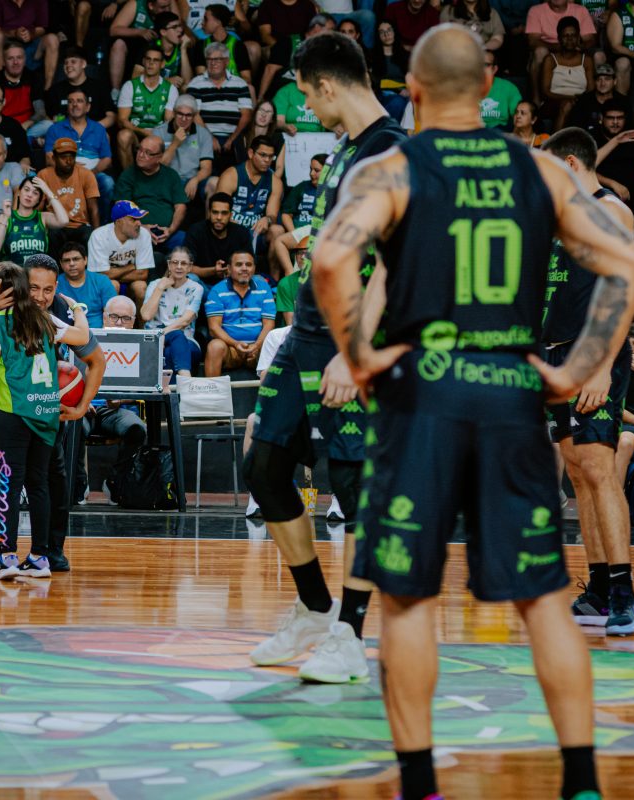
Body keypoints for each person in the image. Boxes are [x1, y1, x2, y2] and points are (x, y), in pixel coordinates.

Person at [312, 25, 634, 800]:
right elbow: (628, 260)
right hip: (509, 394)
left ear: (414, 93)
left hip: (422, 394)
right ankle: (581, 783)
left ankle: (421, 784)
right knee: (544, 600)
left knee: (408, 601)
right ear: (488, 91)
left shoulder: (393, 167)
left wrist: (358, 353)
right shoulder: (543, 170)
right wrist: (579, 368)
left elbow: (330, 259)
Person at [244, 31, 407, 685]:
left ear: (328, 85)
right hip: (306, 334)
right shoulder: (344, 148)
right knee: (263, 467)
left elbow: (396, 262)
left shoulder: (391, 150)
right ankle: (315, 608)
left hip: (351, 344)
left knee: (355, 485)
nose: (305, 107)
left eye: (308, 96)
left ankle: (351, 635)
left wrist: (355, 350)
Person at [541, 128, 634, 636]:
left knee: (600, 468)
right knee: (578, 473)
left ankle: (625, 592)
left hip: (593, 355)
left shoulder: (610, 210)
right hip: (556, 355)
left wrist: (601, 364)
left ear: (570, 164)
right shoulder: (561, 216)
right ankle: (600, 586)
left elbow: (626, 288)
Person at [0, 261, 92, 577]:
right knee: (39, 484)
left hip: (13, 413)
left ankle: (7, 557)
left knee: (8, 483)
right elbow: (82, 335)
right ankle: (41, 558)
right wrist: (78, 309)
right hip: (45, 413)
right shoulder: (45, 319)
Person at [78, 294, 148, 501]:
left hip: (117, 411)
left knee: (137, 429)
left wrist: (122, 399)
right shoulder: (84, 339)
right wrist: (83, 401)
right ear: (104, 317)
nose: (119, 323)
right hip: (84, 407)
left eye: (125, 318)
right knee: (73, 427)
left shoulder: (143, 346)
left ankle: (117, 481)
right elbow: (68, 375)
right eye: (114, 316)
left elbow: (147, 388)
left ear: (133, 321)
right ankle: (78, 482)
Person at [203, 249, 273, 374]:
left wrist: (256, 346)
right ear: (229, 269)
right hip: (230, 348)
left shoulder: (264, 288)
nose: (244, 268)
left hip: (258, 348)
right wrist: (235, 344)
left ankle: (274, 388)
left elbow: (269, 324)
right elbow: (214, 328)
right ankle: (212, 387)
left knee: (276, 344)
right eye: (239, 264)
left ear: (254, 268)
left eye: (249, 265)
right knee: (215, 346)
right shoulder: (217, 291)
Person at [215, 135, 283, 262]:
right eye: (263, 155)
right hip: (232, 229)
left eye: (270, 156)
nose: (267, 160)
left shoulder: (275, 182)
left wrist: (267, 219)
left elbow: (273, 215)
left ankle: (275, 275)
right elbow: (218, 210)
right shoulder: (231, 175)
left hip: (256, 232)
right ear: (251, 153)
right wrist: (237, 228)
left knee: (277, 230)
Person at [185, 42, 253, 168]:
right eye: (209, 59)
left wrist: (232, 139)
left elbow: (246, 115)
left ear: (226, 61)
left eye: (217, 59)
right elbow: (194, 114)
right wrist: (209, 138)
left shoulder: (240, 84)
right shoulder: (195, 84)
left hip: (234, 137)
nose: (213, 63)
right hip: (204, 136)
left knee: (237, 170)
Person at [43, 87, 115, 202]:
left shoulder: (99, 129)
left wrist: (91, 173)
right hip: (64, 175)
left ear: (88, 107)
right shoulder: (55, 129)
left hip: (94, 174)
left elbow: (106, 158)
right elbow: (49, 158)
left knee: (108, 183)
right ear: (67, 107)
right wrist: (69, 168)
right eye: (71, 101)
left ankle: (102, 215)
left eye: (79, 101)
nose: (75, 104)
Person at [141, 246, 203, 376]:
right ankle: (185, 380)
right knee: (172, 346)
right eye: (175, 262)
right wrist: (160, 288)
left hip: (185, 339)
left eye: (183, 263)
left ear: (190, 267)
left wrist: (162, 334)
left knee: (175, 340)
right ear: (169, 265)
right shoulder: (155, 284)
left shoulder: (196, 288)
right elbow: (146, 315)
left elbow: (185, 321)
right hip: (153, 338)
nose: (179, 267)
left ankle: (178, 383)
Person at [117, 44, 178, 168]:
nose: (151, 63)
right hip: (136, 133)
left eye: (156, 60)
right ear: (143, 61)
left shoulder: (170, 89)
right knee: (123, 136)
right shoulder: (130, 86)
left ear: (162, 64)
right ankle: (129, 178)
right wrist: (143, 132)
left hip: (159, 136)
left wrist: (155, 135)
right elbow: (122, 120)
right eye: (148, 59)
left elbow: (169, 121)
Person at [0, 175, 70, 264]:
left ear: (38, 200)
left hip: (37, 270)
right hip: (13, 271)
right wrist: (6, 217)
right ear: (19, 192)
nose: (29, 195)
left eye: (35, 193)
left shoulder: (43, 217)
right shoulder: (5, 217)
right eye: (26, 190)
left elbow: (64, 220)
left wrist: (48, 191)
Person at [526, 0, 596, 102]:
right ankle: (536, 99)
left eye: (572, 35)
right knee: (540, 52)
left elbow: (590, 39)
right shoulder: (536, 10)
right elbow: (532, 41)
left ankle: (598, 101)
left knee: (599, 56)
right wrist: (560, 47)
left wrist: (579, 47)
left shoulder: (580, 10)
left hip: (575, 51)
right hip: (549, 51)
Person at [87, 200, 155, 304]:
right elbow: (100, 276)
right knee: (112, 285)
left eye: (139, 219)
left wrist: (112, 272)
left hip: (131, 282)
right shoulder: (99, 236)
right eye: (133, 219)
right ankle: (110, 315)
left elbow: (143, 274)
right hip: (109, 282)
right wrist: (131, 267)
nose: (139, 223)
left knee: (141, 287)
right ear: (119, 221)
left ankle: (140, 316)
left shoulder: (144, 234)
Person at [38, 136, 102, 241]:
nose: (68, 161)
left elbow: (93, 209)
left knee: (88, 235)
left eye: (72, 157)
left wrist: (97, 237)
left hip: (80, 225)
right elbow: (38, 209)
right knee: (51, 236)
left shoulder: (86, 174)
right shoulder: (44, 175)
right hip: (56, 224)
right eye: (63, 157)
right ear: (54, 158)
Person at [154, 94, 214, 202]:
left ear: (194, 116)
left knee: (214, 183)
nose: (184, 119)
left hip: (192, 179)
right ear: (173, 113)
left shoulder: (203, 134)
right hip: (167, 180)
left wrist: (195, 180)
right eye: (180, 114)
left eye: (188, 115)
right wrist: (175, 144)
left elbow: (207, 168)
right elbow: (156, 166)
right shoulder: (159, 132)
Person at [0, 0, 59, 88]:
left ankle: (48, 89)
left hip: (32, 45)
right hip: (7, 44)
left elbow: (41, 28)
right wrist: (14, 33)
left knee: (52, 39)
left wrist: (31, 34)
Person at [186, 190, 253, 283]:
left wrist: (233, 271)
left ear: (230, 215)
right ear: (209, 213)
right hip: (202, 285)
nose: (219, 217)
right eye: (215, 212)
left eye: (224, 213)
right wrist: (214, 270)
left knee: (258, 279)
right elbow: (187, 267)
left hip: (234, 284)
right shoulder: (196, 231)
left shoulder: (242, 233)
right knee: (190, 278)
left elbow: (251, 265)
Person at [45, 47, 116, 130]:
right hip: (65, 133)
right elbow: (48, 118)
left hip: (94, 132)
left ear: (83, 64)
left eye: (73, 62)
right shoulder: (55, 90)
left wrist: (92, 129)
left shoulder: (99, 87)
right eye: (66, 63)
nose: (68, 65)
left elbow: (111, 116)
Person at [540, 17, 591, 127]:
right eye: (565, 36)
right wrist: (568, 99)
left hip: (580, 101)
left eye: (573, 35)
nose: (570, 39)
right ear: (559, 38)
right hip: (554, 102)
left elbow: (591, 89)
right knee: (566, 106)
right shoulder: (550, 60)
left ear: (578, 37)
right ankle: (556, 138)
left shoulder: (586, 60)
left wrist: (577, 100)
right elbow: (546, 91)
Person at [57, 240, 117, 328]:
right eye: (66, 260)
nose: (71, 264)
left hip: (98, 333)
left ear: (85, 260)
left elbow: (112, 315)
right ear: (61, 264)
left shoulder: (102, 281)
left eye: (76, 259)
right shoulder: (55, 283)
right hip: (66, 333)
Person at [617, 323, 634, 478]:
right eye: (627, 345)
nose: (632, 349)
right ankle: (616, 492)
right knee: (625, 442)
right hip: (633, 424)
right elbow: (615, 406)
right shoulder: (619, 369)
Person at [569, 63, 625, 133]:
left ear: (615, 81)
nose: (602, 83)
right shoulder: (583, 101)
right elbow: (575, 129)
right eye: (599, 79)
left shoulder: (623, 101)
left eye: (607, 79)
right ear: (594, 82)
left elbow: (629, 130)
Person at [606, 0, 634, 97]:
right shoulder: (619, 14)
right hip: (628, 58)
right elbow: (615, 46)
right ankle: (621, 103)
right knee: (622, 63)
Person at [280, 152, 324, 231]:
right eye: (311, 169)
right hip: (297, 231)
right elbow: (286, 214)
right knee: (276, 232)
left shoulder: (334, 192)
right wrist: (294, 234)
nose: (311, 173)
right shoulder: (301, 187)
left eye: (316, 170)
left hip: (319, 233)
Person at [480, 52, 521, 131]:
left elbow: (519, 116)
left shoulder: (509, 88)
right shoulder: (465, 88)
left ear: (494, 69)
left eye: (486, 65)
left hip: (501, 131)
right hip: (473, 131)